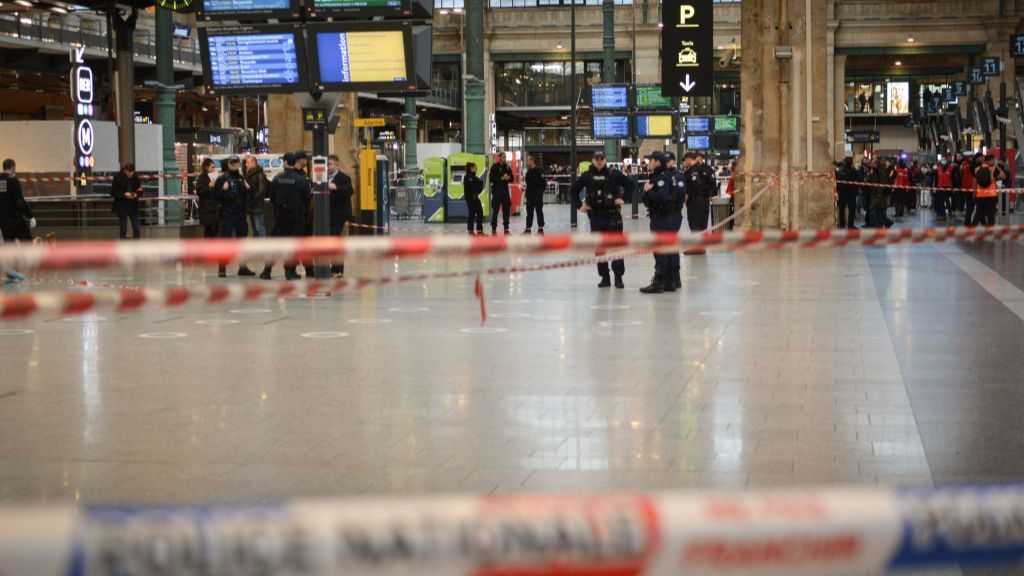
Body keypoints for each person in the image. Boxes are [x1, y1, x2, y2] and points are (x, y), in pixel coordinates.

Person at [572, 150, 633, 288]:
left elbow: (631, 184)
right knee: (599, 249)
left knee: (616, 247)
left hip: (613, 216)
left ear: (605, 160)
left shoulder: (613, 174)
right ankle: (604, 276)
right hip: (596, 217)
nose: (599, 161)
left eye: (601, 158)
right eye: (596, 159)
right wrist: (579, 206)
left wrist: (623, 198)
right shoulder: (587, 176)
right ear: (592, 160)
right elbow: (573, 190)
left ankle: (618, 277)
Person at [261, 153, 311, 281]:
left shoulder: (277, 178)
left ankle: (267, 271)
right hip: (296, 218)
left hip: (280, 217)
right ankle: (290, 272)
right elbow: (307, 199)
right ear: (295, 163)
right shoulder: (301, 180)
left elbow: (271, 198)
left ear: (285, 163)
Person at [640, 151, 677, 294]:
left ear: (657, 162)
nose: (648, 163)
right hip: (664, 217)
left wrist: (648, 191)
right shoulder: (664, 176)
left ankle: (659, 282)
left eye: (651, 160)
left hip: (661, 218)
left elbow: (660, 197)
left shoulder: (661, 178)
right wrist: (646, 193)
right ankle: (669, 281)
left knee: (660, 249)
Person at [213, 155, 255, 278]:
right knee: (224, 242)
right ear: (228, 164)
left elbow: (251, 196)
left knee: (242, 241)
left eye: (236, 162)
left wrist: (248, 189)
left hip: (240, 214)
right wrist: (223, 190)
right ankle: (222, 267)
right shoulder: (222, 179)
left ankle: (243, 267)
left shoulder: (242, 179)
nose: (234, 165)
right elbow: (215, 197)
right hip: (227, 214)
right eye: (232, 163)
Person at [682, 151, 716, 255]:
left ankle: (696, 248)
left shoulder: (693, 171)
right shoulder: (700, 169)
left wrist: (688, 195)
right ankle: (701, 247)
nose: (684, 163)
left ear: (688, 159)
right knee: (702, 224)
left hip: (696, 201)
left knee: (695, 224)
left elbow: (697, 185)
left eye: (685, 160)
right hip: (703, 200)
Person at [327, 154, 354, 277]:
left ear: (336, 165)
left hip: (338, 216)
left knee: (336, 242)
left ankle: (337, 269)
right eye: (326, 164)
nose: (328, 167)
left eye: (330, 164)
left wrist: (336, 188)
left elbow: (349, 191)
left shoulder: (344, 178)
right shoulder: (323, 178)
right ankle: (330, 268)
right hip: (326, 216)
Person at [0, 158, 34, 243]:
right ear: (13, 167)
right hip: (15, 220)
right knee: (27, 243)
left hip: (3, 222)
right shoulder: (13, 181)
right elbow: (19, 201)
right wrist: (30, 216)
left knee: (9, 247)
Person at [110, 163, 142, 240]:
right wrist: (124, 194)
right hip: (122, 206)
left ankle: (136, 246)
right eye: (129, 173)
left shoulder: (135, 176)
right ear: (125, 171)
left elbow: (139, 189)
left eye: (132, 173)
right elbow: (113, 192)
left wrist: (136, 194)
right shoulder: (118, 177)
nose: (130, 175)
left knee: (137, 228)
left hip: (133, 205)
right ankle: (122, 247)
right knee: (123, 229)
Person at [973, 155, 1005, 226]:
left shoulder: (977, 169)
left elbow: (975, 182)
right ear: (990, 160)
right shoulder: (993, 169)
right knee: (991, 215)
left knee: (978, 213)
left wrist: (974, 193)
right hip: (991, 195)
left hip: (980, 195)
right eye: (993, 160)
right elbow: (1003, 176)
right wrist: (997, 166)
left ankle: (972, 230)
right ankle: (990, 231)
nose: (994, 161)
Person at [244, 156, 269, 239]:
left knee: (259, 227)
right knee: (254, 228)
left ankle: (262, 247)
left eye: (248, 162)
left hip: (257, 205)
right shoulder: (248, 174)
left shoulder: (260, 175)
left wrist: (252, 199)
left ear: (254, 163)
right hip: (251, 205)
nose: (246, 164)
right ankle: (256, 246)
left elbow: (262, 191)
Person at [489, 152, 513, 235]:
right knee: (495, 210)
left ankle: (506, 228)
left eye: (505, 157)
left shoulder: (507, 167)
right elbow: (491, 179)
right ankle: (494, 229)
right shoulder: (494, 167)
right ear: (499, 158)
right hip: (497, 191)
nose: (504, 158)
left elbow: (512, 178)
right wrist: (502, 178)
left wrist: (508, 178)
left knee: (506, 210)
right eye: (503, 157)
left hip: (505, 191)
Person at [195, 158, 219, 238]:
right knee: (209, 231)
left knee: (215, 230)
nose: (213, 169)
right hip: (207, 209)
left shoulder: (214, 177)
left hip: (214, 209)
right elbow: (199, 191)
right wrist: (209, 186)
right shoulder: (202, 178)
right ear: (206, 167)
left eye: (214, 167)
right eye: (212, 167)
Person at [836, 157, 861, 229]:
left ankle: (842, 224)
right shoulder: (854, 171)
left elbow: (838, 181)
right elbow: (860, 179)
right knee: (851, 209)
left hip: (842, 193)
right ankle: (850, 224)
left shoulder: (841, 171)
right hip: (852, 193)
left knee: (842, 209)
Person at [523, 155, 546, 234]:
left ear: (532, 161)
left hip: (537, 195)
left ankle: (540, 229)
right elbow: (528, 183)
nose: (527, 162)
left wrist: (540, 192)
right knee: (529, 212)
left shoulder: (539, 170)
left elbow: (544, 183)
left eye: (528, 160)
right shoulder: (528, 172)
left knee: (539, 211)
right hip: (530, 195)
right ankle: (528, 229)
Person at [464, 162, 485, 235]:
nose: (476, 168)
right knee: (479, 212)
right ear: (471, 168)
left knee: (472, 213)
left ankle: (470, 231)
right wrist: (479, 183)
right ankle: (479, 231)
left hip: (473, 197)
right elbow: (473, 187)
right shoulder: (468, 177)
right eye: (475, 167)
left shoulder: (473, 177)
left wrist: (479, 183)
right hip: (472, 198)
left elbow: (479, 187)